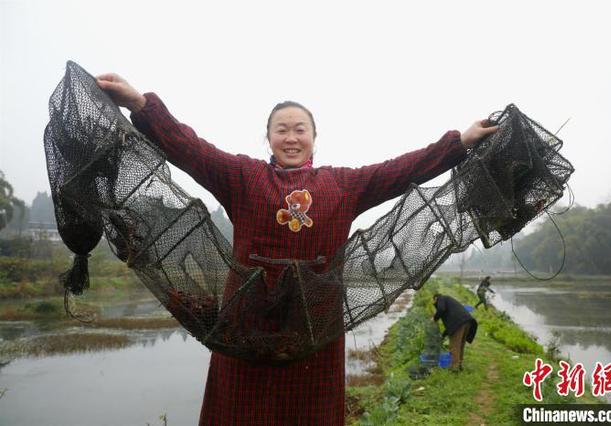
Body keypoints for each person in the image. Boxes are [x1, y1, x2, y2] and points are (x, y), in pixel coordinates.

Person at [96, 73, 498, 425]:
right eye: (281, 129)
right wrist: (141, 104)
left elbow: (401, 170)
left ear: (315, 137)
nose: (291, 137)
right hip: (246, 332)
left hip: (314, 334)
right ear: (268, 137)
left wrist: (459, 142)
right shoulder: (242, 177)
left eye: (300, 128)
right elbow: (190, 148)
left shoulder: (343, 185)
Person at [432, 293, 478, 372]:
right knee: (460, 345)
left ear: (436, 298)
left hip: (459, 323)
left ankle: (454, 369)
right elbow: (450, 325)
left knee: (454, 346)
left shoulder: (441, 298)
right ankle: (459, 365)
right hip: (468, 322)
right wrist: (443, 335)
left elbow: (441, 309)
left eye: (435, 302)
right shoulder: (449, 302)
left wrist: (434, 319)